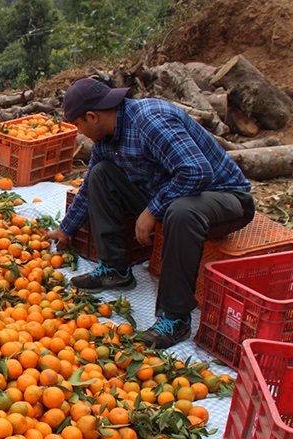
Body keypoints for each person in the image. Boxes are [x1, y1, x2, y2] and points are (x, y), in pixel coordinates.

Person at [44, 78, 254, 350]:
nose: (81, 134)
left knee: (180, 211)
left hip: (224, 196)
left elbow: (197, 172)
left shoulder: (150, 121)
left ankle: (175, 318)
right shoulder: (107, 139)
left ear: (92, 117)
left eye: (79, 126)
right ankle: (115, 270)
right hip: (172, 193)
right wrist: (66, 229)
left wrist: (153, 210)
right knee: (100, 174)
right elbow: (87, 189)